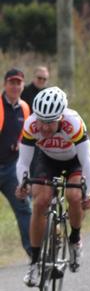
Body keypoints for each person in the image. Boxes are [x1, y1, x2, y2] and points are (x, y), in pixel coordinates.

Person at [15, 87, 90, 287]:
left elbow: (87, 161)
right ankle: (34, 263)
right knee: (40, 202)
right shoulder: (31, 124)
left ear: (61, 117)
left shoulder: (73, 123)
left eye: (50, 122)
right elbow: (23, 162)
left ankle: (75, 239)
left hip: (74, 161)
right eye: (41, 119)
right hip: (47, 160)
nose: (44, 126)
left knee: (74, 195)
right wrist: (22, 183)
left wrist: (88, 192)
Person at [0, 68, 32, 257]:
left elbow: (27, 135)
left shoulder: (25, 108)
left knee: (24, 208)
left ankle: (34, 253)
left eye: (18, 83)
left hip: (12, 168)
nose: (15, 86)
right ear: (5, 84)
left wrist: (20, 143)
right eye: (12, 82)